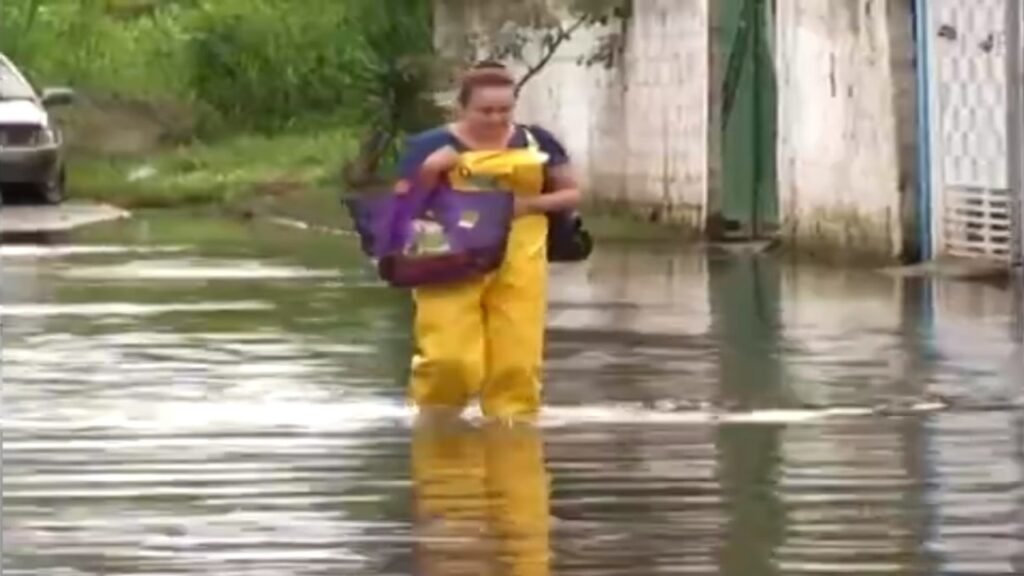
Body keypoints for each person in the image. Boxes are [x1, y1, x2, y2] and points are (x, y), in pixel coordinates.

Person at [394, 62, 581, 420]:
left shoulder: (537, 142)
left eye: (504, 110)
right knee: (449, 358)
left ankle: (513, 434)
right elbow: (404, 203)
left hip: (520, 255)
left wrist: (528, 205)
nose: (496, 119)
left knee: (517, 360)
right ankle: (435, 423)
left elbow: (571, 193)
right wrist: (432, 170)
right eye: (485, 111)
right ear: (462, 108)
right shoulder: (430, 144)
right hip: (446, 253)